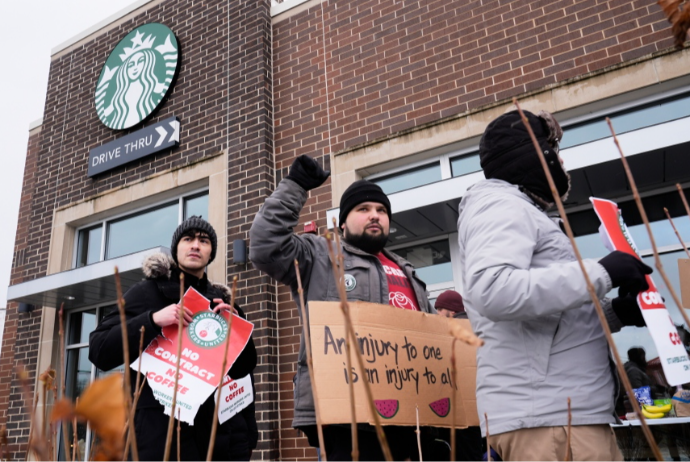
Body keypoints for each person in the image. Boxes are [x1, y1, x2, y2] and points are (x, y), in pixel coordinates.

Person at [456, 110, 652, 462]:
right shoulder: (500, 204)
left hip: (560, 415)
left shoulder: (521, 211)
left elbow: (551, 322)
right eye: (554, 149)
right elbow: (494, 290)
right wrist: (601, 271)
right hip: (549, 421)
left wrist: (616, 312)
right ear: (534, 155)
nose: (562, 161)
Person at [249, 155, 436, 462]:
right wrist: (295, 186)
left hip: (410, 421)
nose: (374, 215)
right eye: (363, 209)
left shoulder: (408, 271)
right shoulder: (319, 256)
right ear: (344, 221)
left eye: (381, 210)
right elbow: (265, 247)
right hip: (347, 421)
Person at [89, 216, 258, 461]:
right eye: (188, 239)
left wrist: (237, 326)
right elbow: (99, 350)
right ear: (176, 248)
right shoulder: (147, 292)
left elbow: (243, 371)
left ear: (211, 253)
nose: (195, 245)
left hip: (216, 441)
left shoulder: (221, 302)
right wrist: (153, 319)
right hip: (159, 439)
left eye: (204, 241)